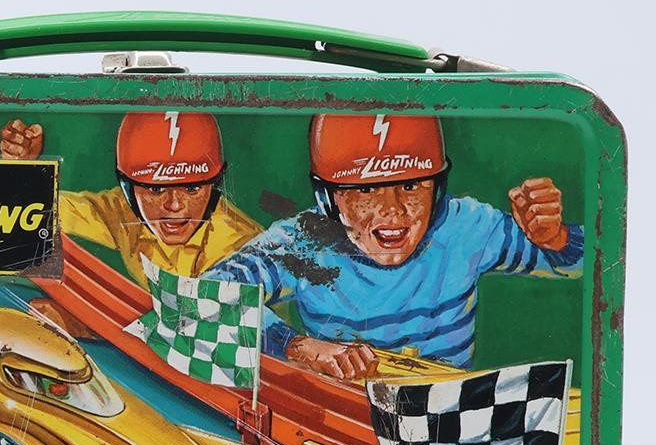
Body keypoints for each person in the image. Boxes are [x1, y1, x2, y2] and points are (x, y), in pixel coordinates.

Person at [204, 113, 583, 379]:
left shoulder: (467, 226)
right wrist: (299, 347)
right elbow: (202, 299)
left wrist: (554, 237)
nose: (393, 210)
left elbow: (584, 264)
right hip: (344, 419)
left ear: (437, 188)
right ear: (328, 198)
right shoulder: (303, 240)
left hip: (451, 418)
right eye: (367, 189)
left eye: (411, 185)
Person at [0, 111, 260, 283]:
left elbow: (196, 331)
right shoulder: (121, 211)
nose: (175, 206)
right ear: (128, 189)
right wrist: (23, 168)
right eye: (156, 190)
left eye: (192, 189)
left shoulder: (241, 249)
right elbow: (42, 211)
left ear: (214, 186)